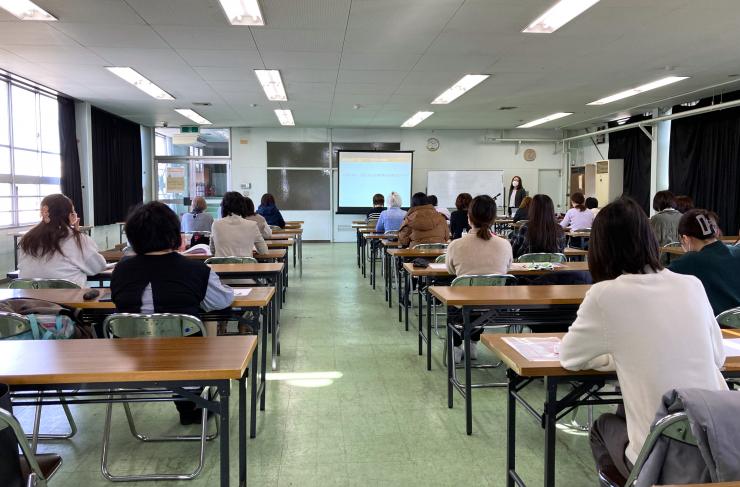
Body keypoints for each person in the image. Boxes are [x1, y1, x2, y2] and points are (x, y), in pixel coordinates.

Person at [559, 197, 726, 480]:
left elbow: (570, 358)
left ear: (599, 248)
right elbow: (718, 358)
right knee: (626, 407)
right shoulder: (690, 284)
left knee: (602, 426)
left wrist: (615, 356)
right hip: (720, 443)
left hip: (662, 451)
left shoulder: (605, 295)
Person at [111, 201, 234, 425]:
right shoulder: (195, 270)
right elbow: (223, 301)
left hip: (128, 362)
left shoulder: (120, 270)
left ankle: (188, 404)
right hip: (186, 363)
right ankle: (191, 403)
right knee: (206, 318)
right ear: (174, 233)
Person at [446, 195, 513, 363]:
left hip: (463, 307)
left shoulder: (456, 245)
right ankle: (473, 344)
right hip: (496, 308)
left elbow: (450, 270)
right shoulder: (505, 244)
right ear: (493, 219)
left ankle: (455, 348)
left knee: (454, 295)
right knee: (483, 297)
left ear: (469, 218)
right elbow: (507, 269)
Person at [18, 194, 106, 288]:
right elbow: (97, 267)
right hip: (70, 301)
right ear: (69, 215)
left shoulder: (26, 239)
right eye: (73, 211)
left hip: (30, 300)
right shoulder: (77, 239)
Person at [669, 209, 740, 316]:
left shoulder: (688, 261)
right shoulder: (737, 251)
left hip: (715, 328)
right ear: (715, 231)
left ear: (685, 238)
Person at [211, 192, 268, 257]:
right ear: (243, 207)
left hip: (221, 266)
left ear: (223, 207)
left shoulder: (215, 225)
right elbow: (264, 251)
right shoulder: (252, 225)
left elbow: (212, 250)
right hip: (245, 266)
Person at [509, 194, 565, 259]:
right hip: (554, 268)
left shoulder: (526, 228)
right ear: (551, 210)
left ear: (532, 209)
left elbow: (513, 252)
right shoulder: (559, 230)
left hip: (527, 267)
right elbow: (561, 253)